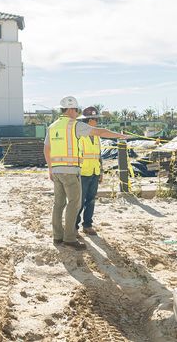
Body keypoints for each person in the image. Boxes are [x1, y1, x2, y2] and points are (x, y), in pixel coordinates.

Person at [44, 96, 127, 250]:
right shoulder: (74, 125)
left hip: (57, 170)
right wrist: (120, 135)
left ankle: (57, 237)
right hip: (71, 171)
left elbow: (46, 149)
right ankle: (69, 238)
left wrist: (50, 168)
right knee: (74, 203)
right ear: (70, 109)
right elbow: (99, 131)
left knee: (58, 204)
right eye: (76, 110)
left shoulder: (52, 126)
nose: (77, 113)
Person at [75, 106, 102, 236]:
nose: (97, 121)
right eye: (95, 119)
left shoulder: (96, 136)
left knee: (91, 200)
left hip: (94, 172)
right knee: (79, 201)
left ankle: (87, 225)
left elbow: (99, 155)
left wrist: (101, 171)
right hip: (83, 173)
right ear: (89, 120)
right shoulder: (80, 136)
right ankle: (74, 227)